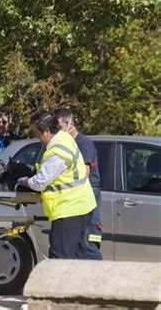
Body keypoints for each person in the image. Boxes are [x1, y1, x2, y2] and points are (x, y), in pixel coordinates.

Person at [18, 110, 96, 259]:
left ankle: (59, 283)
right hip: (82, 205)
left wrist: (24, 181)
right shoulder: (65, 138)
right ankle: (77, 282)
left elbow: (40, 182)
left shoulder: (57, 152)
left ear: (46, 131)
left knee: (60, 256)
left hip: (69, 208)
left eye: (36, 133)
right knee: (77, 255)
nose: (36, 137)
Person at [55, 108, 103, 260]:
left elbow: (85, 173)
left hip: (87, 192)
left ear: (71, 124)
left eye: (59, 127)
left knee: (89, 241)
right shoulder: (67, 144)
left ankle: (98, 279)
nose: (57, 132)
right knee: (77, 243)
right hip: (78, 195)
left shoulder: (83, 143)